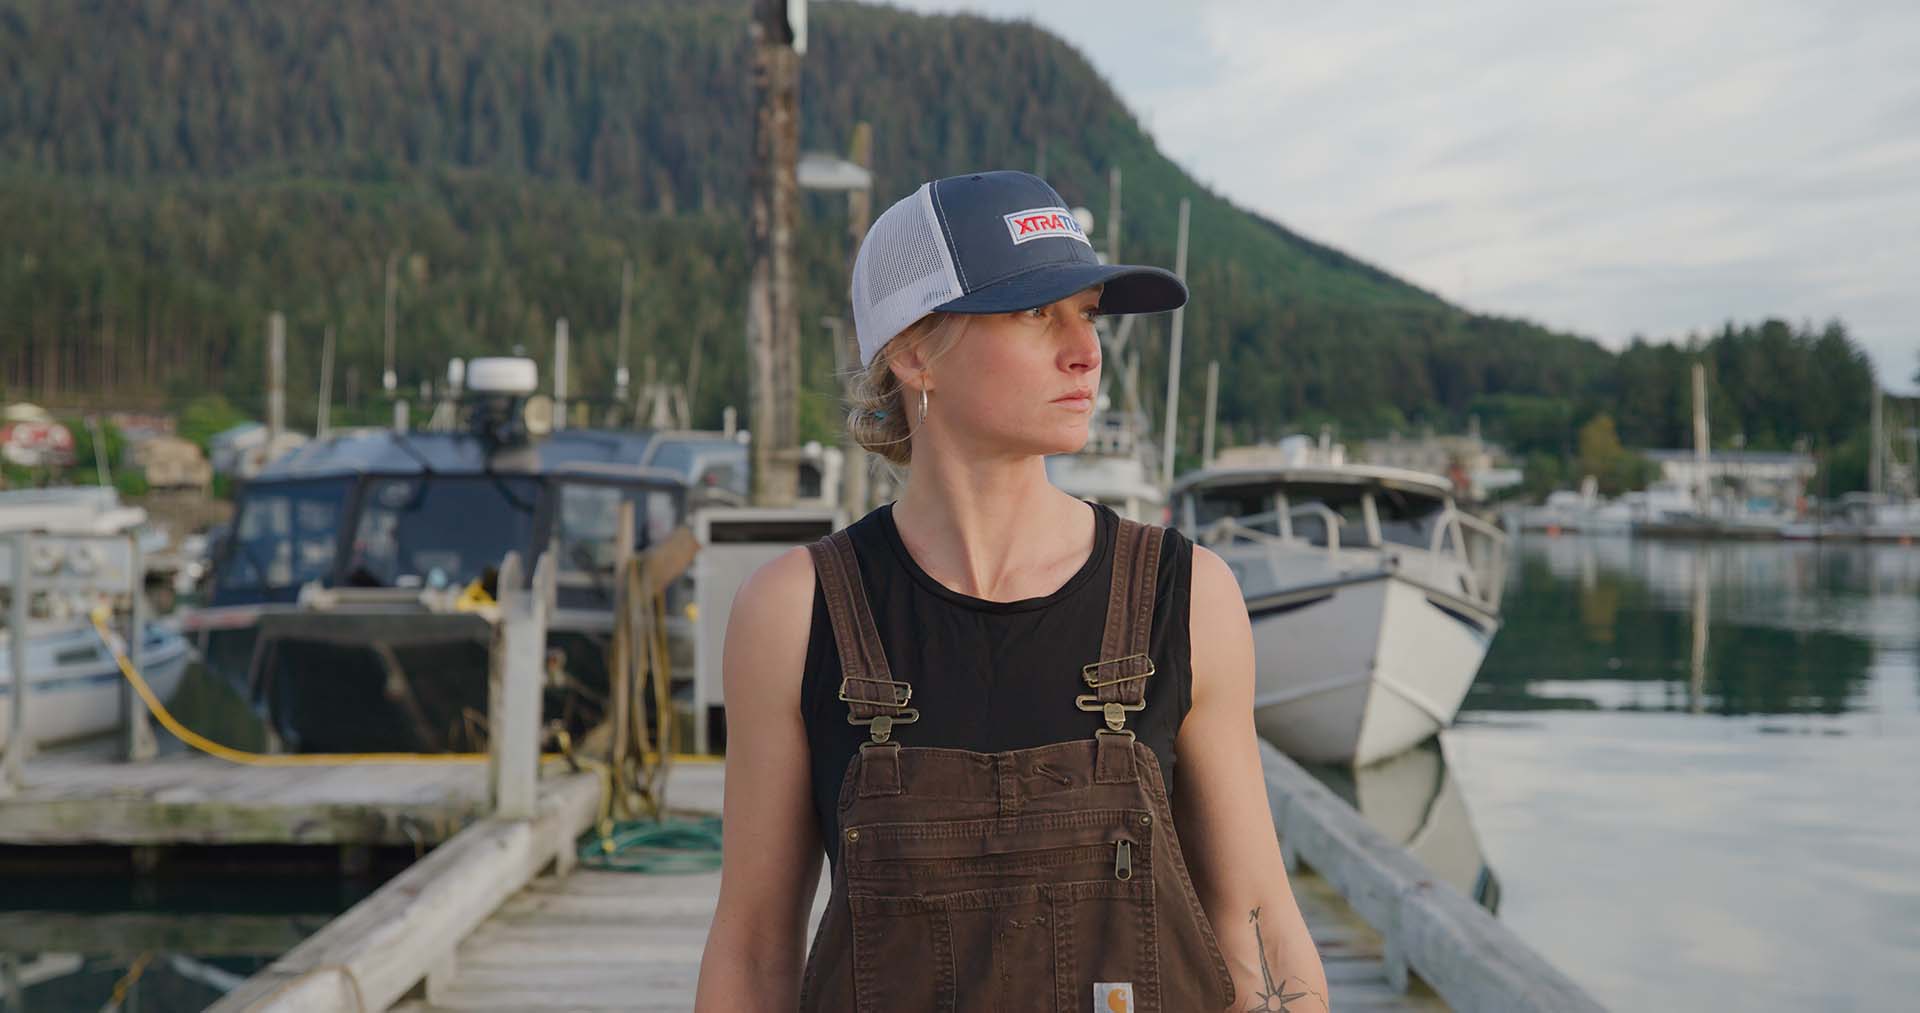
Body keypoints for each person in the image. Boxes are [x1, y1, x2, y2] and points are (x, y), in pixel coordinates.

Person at [695, 170, 1326, 1011]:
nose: (1086, 349)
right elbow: (752, 951)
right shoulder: (795, 613)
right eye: (1038, 313)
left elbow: (1258, 926)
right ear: (915, 349)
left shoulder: (1186, 598)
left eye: (1089, 314)